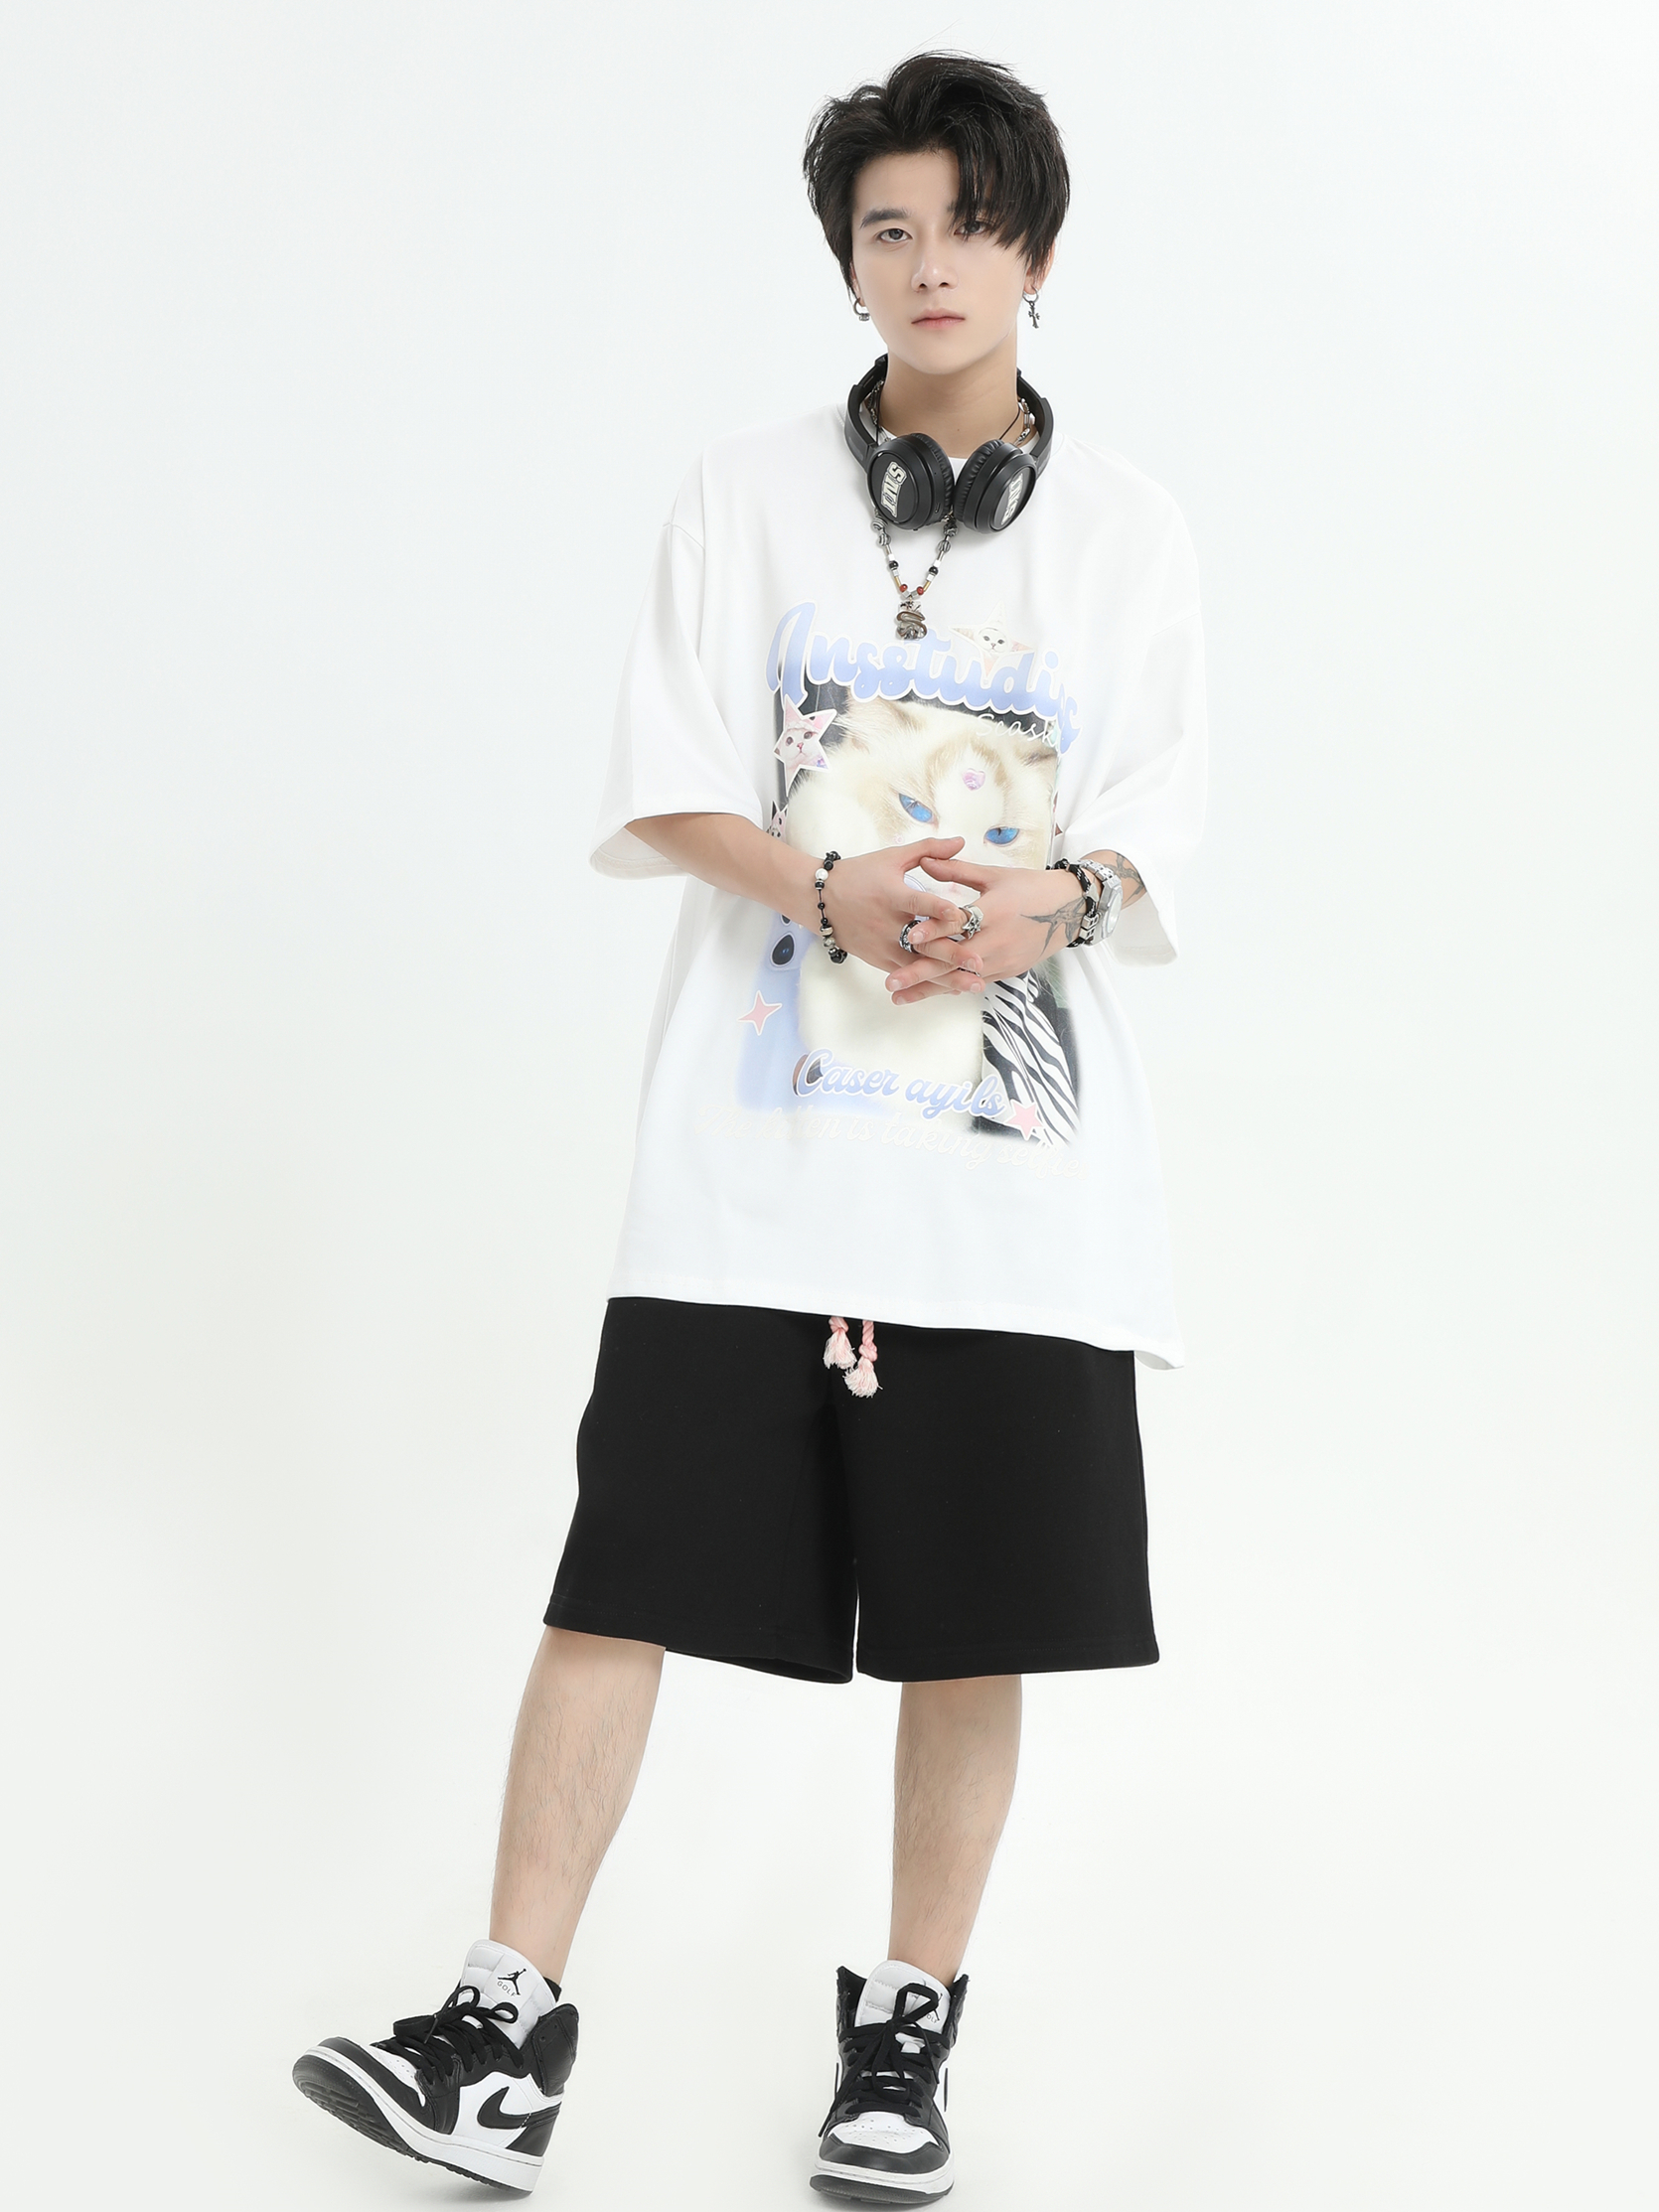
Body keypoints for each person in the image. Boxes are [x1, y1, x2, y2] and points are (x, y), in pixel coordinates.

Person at [293, 48, 1207, 2204]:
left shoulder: (1132, 532)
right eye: (887, 229)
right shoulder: (740, 492)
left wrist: (1053, 902)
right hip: (746, 1170)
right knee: (615, 1575)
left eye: (966, 223)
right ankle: (498, 2030)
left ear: (1037, 250)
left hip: (1007, 1186)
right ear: (847, 263)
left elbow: (1159, 823)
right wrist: (824, 888)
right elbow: (665, 776)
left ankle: (905, 2042)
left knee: (975, 1613)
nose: (928, 263)